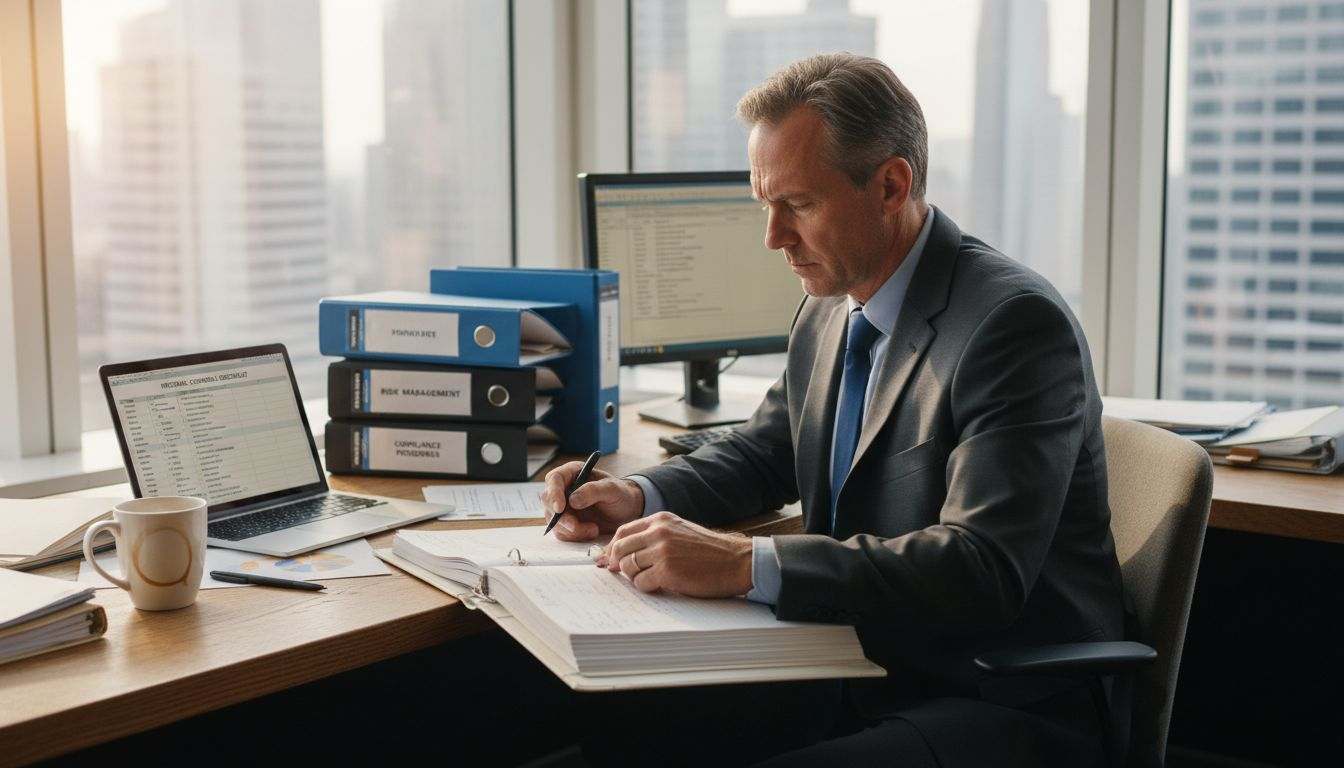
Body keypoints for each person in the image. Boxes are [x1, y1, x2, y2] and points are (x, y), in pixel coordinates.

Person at [542, 52, 1128, 767]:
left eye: (799, 205)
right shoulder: (831, 308)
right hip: (851, 664)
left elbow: (979, 570)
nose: (773, 237)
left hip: (994, 701)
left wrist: (745, 562)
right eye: (765, 204)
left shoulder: (1012, 325)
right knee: (617, 722)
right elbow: (767, 450)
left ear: (890, 184)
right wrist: (637, 495)